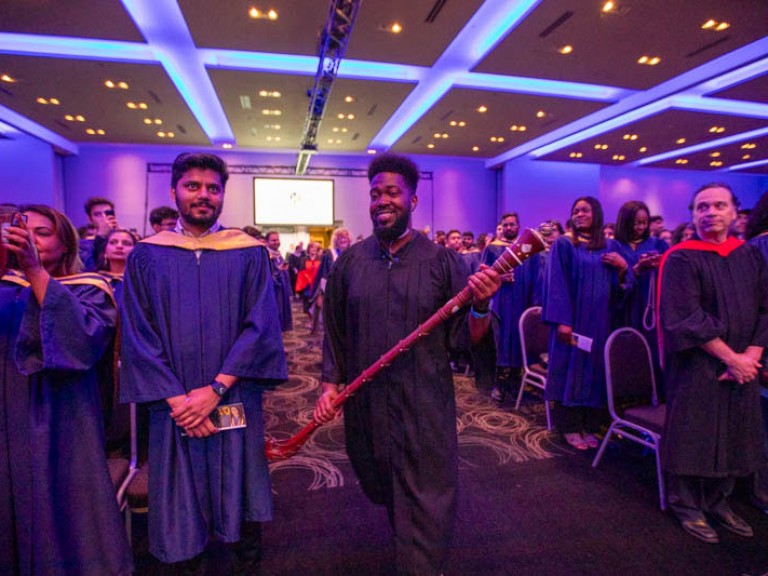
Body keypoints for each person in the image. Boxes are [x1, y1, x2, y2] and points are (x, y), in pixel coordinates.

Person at [314, 152, 500, 575]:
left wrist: (481, 307)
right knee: (381, 483)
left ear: (413, 201)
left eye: (393, 193)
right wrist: (330, 385)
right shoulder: (350, 264)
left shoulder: (440, 261)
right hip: (368, 405)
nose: (383, 200)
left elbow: (464, 340)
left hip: (424, 405)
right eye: (375, 193)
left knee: (424, 499)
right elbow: (336, 333)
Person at [120, 152, 287, 572]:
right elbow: (138, 333)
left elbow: (260, 327)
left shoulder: (248, 253)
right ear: (174, 190)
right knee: (179, 498)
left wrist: (214, 391)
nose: (203, 195)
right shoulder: (145, 256)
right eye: (193, 186)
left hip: (232, 397)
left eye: (213, 188)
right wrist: (180, 402)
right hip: (172, 406)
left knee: (240, 492)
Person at [1, 204, 133, 575]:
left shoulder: (89, 290)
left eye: (41, 233)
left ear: (65, 245)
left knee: (61, 509)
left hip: (60, 421)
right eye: (20, 230)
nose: (27, 238)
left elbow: (83, 342)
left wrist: (33, 269)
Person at [659, 183, 768, 544]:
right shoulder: (680, 257)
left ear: (735, 212)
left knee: (735, 430)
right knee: (695, 433)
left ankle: (719, 501)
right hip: (697, 366)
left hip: (743, 366)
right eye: (702, 207)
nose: (710, 212)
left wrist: (751, 356)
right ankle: (686, 505)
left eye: (719, 205)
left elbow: (765, 309)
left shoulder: (748, 256)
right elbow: (685, 317)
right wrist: (732, 358)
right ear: (693, 215)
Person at [542, 196, 630, 450]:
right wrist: (562, 320)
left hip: (600, 323)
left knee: (594, 374)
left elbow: (621, 287)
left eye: (585, 210)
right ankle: (569, 426)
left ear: (597, 214)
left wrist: (623, 268)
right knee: (570, 370)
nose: (579, 214)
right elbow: (556, 284)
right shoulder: (564, 244)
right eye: (576, 210)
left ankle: (589, 425)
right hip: (572, 323)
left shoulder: (610, 246)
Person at [482, 212, 541, 402]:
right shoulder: (492, 249)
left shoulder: (526, 249)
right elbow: (482, 275)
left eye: (512, 225)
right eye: (505, 225)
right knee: (499, 341)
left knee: (517, 341)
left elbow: (535, 277)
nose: (509, 228)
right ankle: (498, 384)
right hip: (500, 303)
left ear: (518, 226)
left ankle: (515, 385)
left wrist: (534, 304)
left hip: (522, 304)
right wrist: (498, 277)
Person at [613, 201, 668, 385]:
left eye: (644, 222)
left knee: (653, 351)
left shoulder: (657, 244)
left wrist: (661, 264)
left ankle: (655, 395)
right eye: (636, 223)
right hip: (625, 307)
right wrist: (634, 269)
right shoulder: (613, 246)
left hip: (651, 307)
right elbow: (610, 284)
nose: (641, 227)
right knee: (627, 351)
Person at [310, 227, 352, 333]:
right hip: (333, 292)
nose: (342, 240)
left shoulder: (354, 253)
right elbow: (323, 275)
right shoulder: (329, 254)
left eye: (345, 238)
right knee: (333, 321)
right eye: (340, 238)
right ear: (335, 241)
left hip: (349, 291)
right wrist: (321, 294)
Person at [98, 227, 138, 306]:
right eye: (113, 242)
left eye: (126, 243)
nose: (119, 246)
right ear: (104, 252)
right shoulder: (93, 281)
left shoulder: (140, 283)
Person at [79, 196, 118, 271]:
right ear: (90, 219)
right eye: (97, 214)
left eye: (107, 213)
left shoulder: (123, 238)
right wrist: (101, 235)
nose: (104, 217)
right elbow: (89, 269)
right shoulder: (82, 245)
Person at [265, 231, 293, 332]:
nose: (276, 242)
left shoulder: (278, 254)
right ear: (267, 242)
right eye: (273, 240)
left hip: (282, 289)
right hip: (273, 290)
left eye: (277, 239)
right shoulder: (266, 256)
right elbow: (266, 275)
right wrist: (278, 271)